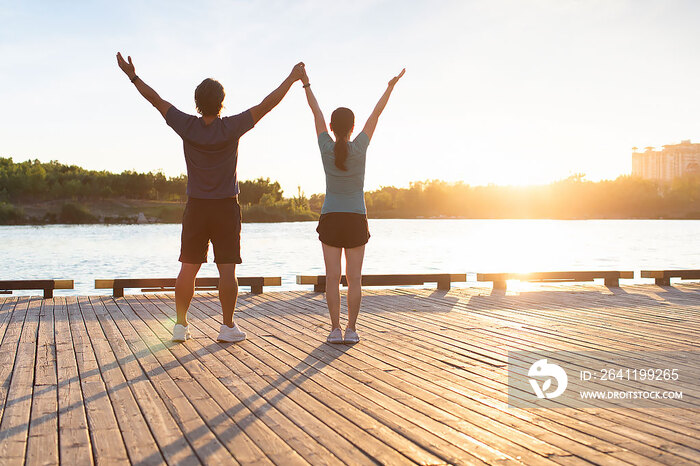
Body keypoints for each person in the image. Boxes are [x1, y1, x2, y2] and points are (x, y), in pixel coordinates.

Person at [116, 52, 305, 342]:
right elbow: (266, 105)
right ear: (221, 103)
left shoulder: (186, 125)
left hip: (196, 208)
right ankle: (227, 327)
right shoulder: (231, 127)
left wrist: (132, 76)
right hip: (226, 207)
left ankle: (180, 326)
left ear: (197, 102)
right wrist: (292, 79)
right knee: (226, 270)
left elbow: (155, 100)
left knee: (188, 269)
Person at [300, 65, 405, 344]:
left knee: (332, 278)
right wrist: (390, 87)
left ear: (332, 128)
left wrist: (307, 84)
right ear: (353, 128)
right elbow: (376, 114)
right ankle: (352, 329)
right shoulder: (360, 147)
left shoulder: (325, 146)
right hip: (356, 217)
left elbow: (317, 113)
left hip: (331, 217)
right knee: (354, 279)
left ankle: (335, 330)